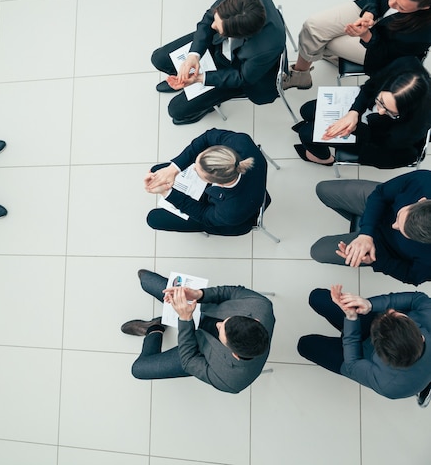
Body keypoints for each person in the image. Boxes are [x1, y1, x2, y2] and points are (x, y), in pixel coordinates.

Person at [284, 0, 431, 90]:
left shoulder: (426, 29)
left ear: (425, 7)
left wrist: (367, 35)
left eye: (401, 7)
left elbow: (388, 53)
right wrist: (370, 12)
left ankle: (333, 56)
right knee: (312, 27)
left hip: (384, 47)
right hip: (373, 12)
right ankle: (300, 75)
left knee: (326, 40)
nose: (391, 3)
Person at [151, 0, 285, 125]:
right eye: (216, 19)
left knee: (175, 110)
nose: (213, 25)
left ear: (237, 35)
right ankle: (181, 77)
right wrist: (193, 55)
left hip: (238, 70)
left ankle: (206, 106)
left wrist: (200, 79)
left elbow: (242, 77)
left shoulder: (264, 49)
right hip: (217, 45)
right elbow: (209, 20)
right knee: (158, 58)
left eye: (218, 27)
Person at [121, 269, 275, 393]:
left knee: (138, 370)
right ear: (256, 320)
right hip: (202, 306)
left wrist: (185, 319)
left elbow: (189, 361)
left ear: (234, 354)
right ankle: (170, 314)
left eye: (221, 331)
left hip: (198, 350)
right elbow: (230, 292)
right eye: (225, 321)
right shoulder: (261, 305)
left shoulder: (231, 380)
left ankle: (155, 328)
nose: (218, 325)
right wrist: (199, 294)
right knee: (146, 279)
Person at [298, 285, 431, 403]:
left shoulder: (389, 385)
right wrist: (370, 304)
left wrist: (351, 318)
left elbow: (353, 363)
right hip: (381, 334)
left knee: (305, 345)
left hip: (361, 358)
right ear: (421, 336)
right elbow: (416, 298)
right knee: (317, 297)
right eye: (399, 315)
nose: (390, 311)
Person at [293, 56, 431, 167]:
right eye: (381, 101)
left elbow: (379, 145)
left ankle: (325, 159)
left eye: (390, 111)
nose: (381, 111)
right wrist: (354, 112)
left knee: (306, 133)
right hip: (367, 118)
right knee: (306, 110)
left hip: (379, 142)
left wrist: (356, 128)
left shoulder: (412, 129)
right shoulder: (406, 64)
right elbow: (370, 87)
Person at [311, 171, 431, 285]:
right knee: (323, 189)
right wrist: (366, 232)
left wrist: (375, 260)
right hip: (382, 206)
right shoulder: (424, 181)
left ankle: (361, 221)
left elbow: (410, 275)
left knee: (317, 252)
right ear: (421, 200)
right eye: (399, 216)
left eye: (401, 230)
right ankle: (361, 221)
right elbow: (381, 193)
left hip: (382, 248)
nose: (394, 225)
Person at [144, 128, 268, 235]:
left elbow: (203, 215)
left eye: (197, 172)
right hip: (247, 187)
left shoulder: (229, 212)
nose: (193, 168)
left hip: (229, 215)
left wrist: (168, 193)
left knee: (154, 219)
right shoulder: (241, 142)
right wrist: (173, 169)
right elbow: (208, 136)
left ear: (217, 183)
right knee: (158, 171)